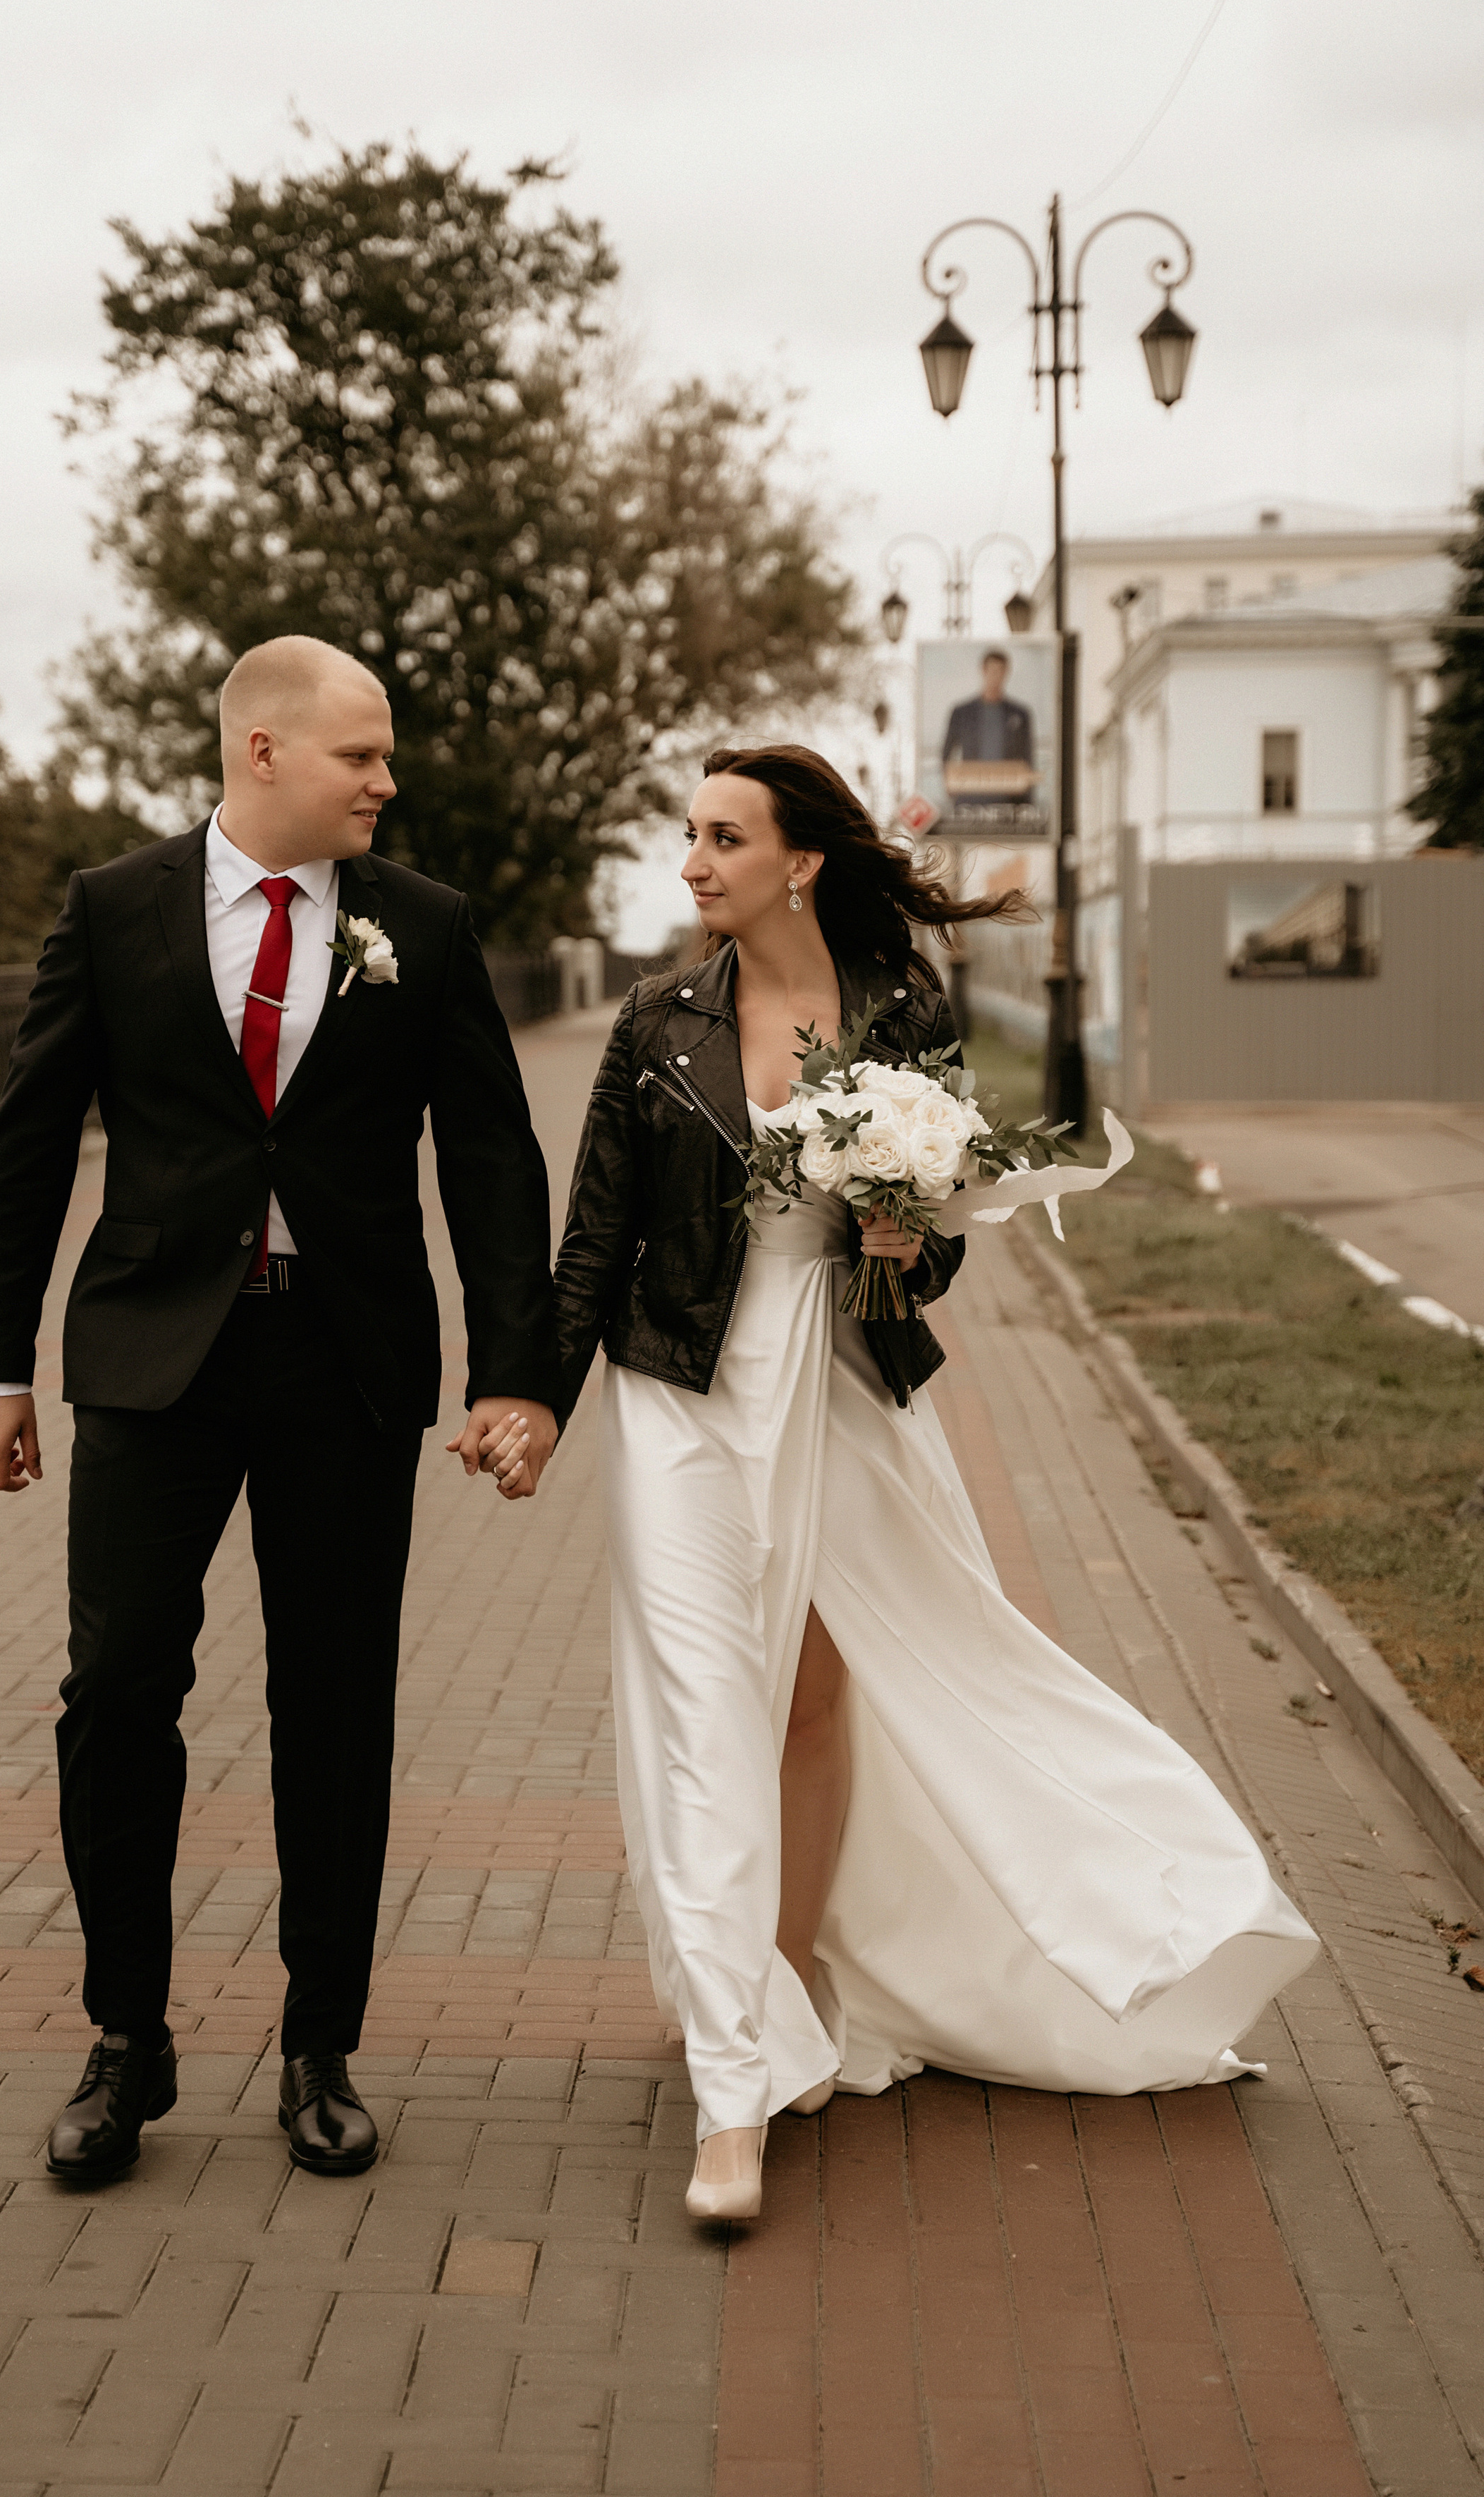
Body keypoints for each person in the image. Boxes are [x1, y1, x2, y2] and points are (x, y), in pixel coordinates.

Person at [547, 745, 1316, 2225]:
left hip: (843, 1388)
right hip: (684, 1392)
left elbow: (943, 1236)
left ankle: (779, 1979)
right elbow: (596, 1235)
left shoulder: (900, 1010)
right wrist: (524, 1396)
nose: (693, 862)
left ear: (800, 861)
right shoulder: (657, 1021)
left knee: (823, 1699)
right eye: (687, 835)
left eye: (723, 836)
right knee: (710, 1712)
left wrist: (908, 1239)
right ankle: (733, 2095)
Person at [0, 636, 559, 2185]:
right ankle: (125, 2042)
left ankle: (320, 2049)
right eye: (361, 754)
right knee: (115, 1695)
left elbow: (491, 1157)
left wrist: (514, 1370)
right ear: (264, 753)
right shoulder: (114, 909)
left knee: (335, 1703)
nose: (386, 779)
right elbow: (30, 1144)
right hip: (153, 1363)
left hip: (346, 1363)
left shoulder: (420, 924)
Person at [940, 647, 1036, 805]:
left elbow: (1028, 758)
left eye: (1000, 671)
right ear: (983, 671)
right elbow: (946, 753)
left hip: (1008, 799)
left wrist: (1027, 800)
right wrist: (950, 784)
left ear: (1006, 673)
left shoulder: (1020, 714)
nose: (996, 677)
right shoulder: (962, 712)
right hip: (971, 797)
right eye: (992, 671)